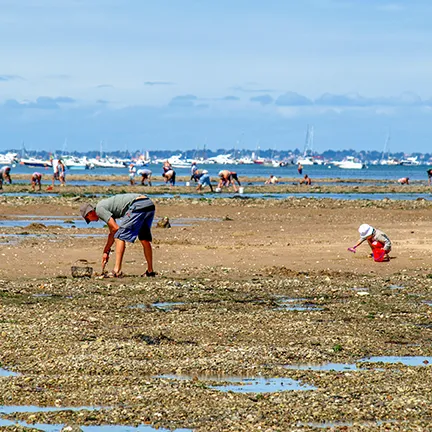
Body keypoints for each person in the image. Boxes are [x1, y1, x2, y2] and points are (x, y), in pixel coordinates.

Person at [80, 193, 156, 278]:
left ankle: (117, 270)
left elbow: (116, 229)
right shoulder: (104, 207)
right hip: (148, 203)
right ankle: (150, 271)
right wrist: (106, 251)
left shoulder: (99, 210)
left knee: (119, 236)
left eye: (88, 219)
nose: (91, 221)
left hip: (137, 204)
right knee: (144, 239)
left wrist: (107, 249)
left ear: (89, 213)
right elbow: (112, 232)